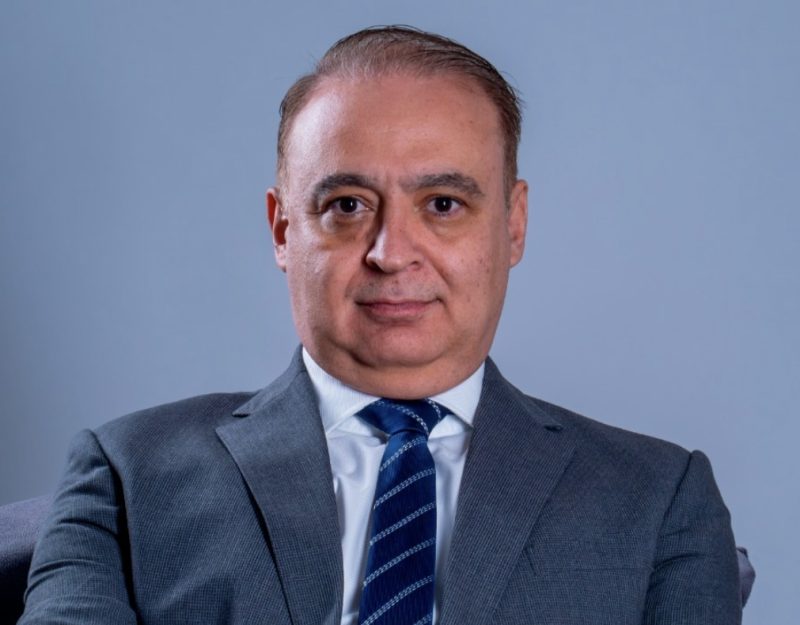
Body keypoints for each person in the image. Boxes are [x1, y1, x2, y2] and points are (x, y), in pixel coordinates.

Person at [19, 26, 741, 625]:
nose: (391, 253)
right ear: (282, 229)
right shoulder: (128, 476)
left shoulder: (656, 500)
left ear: (513, 225)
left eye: (443, 204)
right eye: (347, 206)